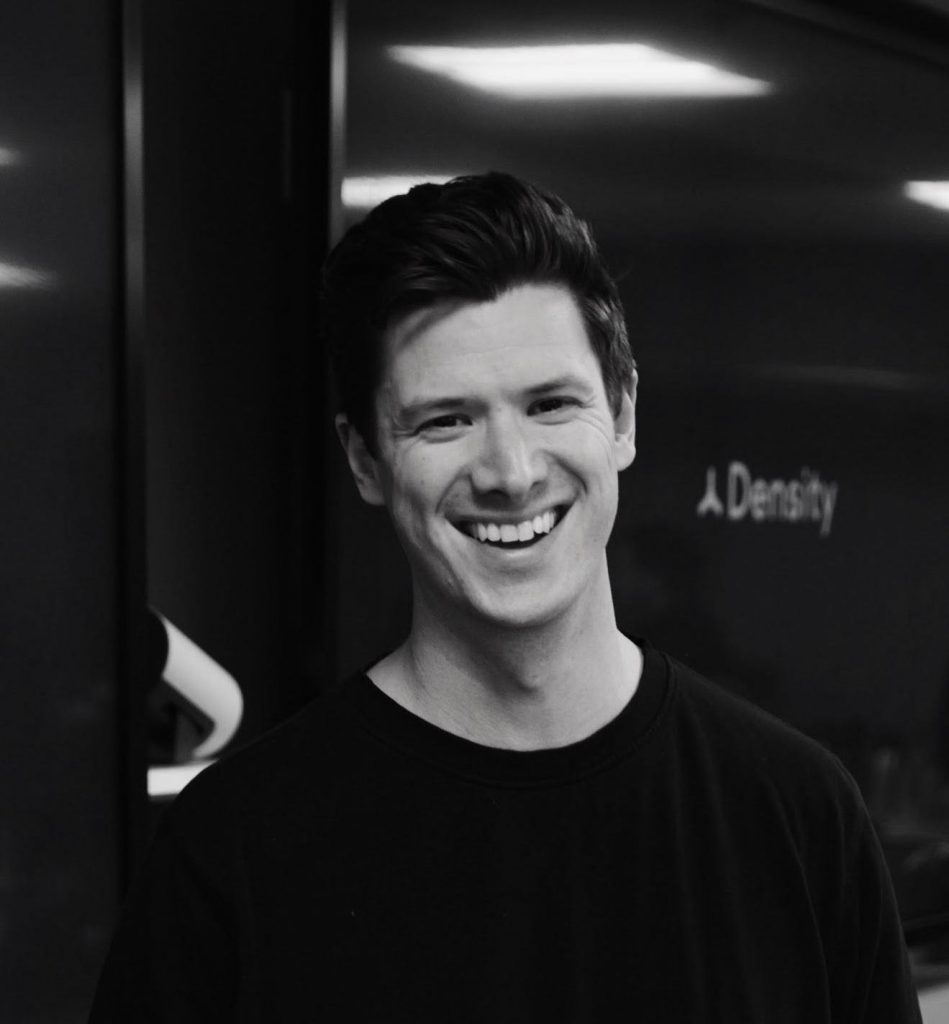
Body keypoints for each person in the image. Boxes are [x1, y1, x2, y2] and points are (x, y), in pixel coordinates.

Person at [89, 172, 921, 1022]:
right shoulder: (234, 851)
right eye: (445, 421)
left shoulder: (797, 816)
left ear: (623, 414)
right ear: (366, 459)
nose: (511, 473)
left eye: (551, 404)